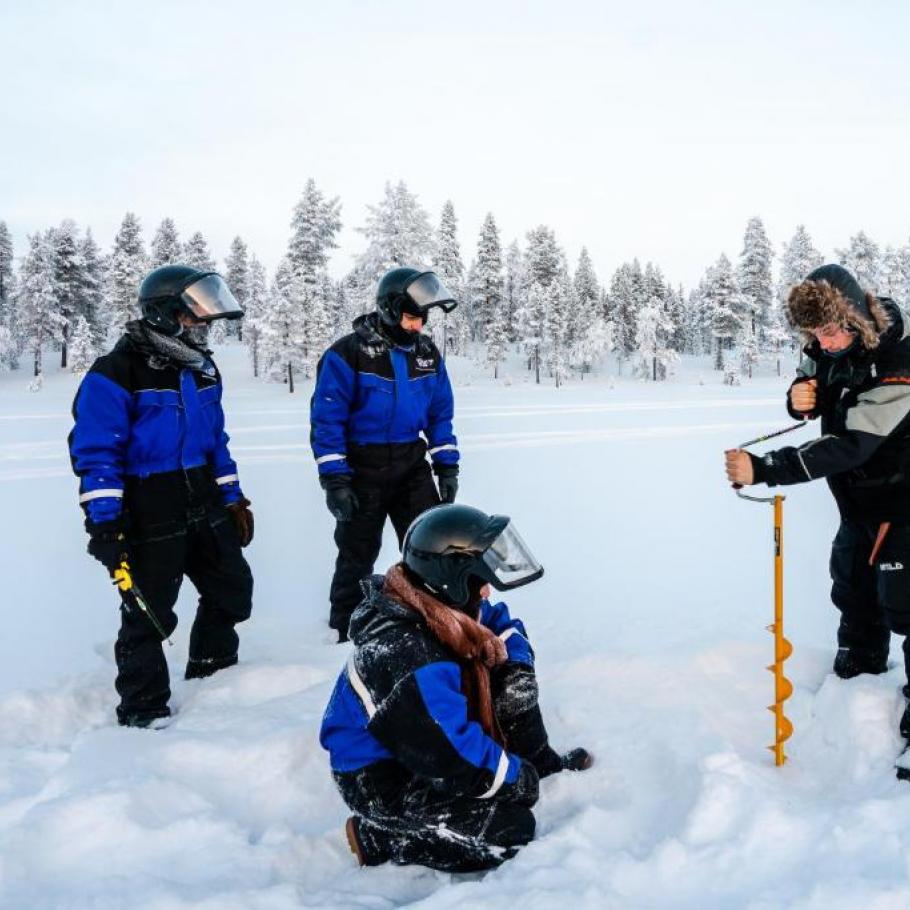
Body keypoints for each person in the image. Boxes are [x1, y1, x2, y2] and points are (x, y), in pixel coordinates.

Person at [320, 504, 593, 872]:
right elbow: (452, 756)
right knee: (509, 829)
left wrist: (514, 669)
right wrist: (515, 780)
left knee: (511, 680)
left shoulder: (438, 605)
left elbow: (502, 624)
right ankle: (381, 837)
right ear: (452, 578)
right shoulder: (410, 656)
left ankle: (538, 758)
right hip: (381, 778)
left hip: (422, 743)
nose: (486, 593)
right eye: (480, 582)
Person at [725, 263, 910, 740]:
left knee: (907, 602)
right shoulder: (824, 344)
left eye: (828, 332)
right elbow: (810, 378)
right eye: (814, 334)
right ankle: (861, 670)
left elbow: (853, 443)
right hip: (857, 500)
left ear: (853, 318)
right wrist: (799, 398)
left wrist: (765, 468)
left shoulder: (899, 358)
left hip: (903, 499)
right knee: (852, 584)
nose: (821, 343)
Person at [68, 265, 255, 728]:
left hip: (202, 493)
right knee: (148, 613)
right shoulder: (117, 371)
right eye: (197, 317)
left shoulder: (202, 368)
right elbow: (96, 451)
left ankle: (210, 679)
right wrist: (105, 522)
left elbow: (216, 440)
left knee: (232, 590)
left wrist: (232, 496)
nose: (205, 326)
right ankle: (142, 711)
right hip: (148, 501)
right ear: (167, 314)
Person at [310, 267, 462, 642]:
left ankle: (434, 619)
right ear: (390, 310)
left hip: (412, 464)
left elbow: (440, 413)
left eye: (422, 319)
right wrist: (335, 479)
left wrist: (446, 465)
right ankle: (344, 630)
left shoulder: (427, 354)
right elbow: (327, 419)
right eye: (411, 317)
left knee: (430, 545)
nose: (417, 326)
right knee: (357, 551)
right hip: (363, 465)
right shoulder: (348, 354)